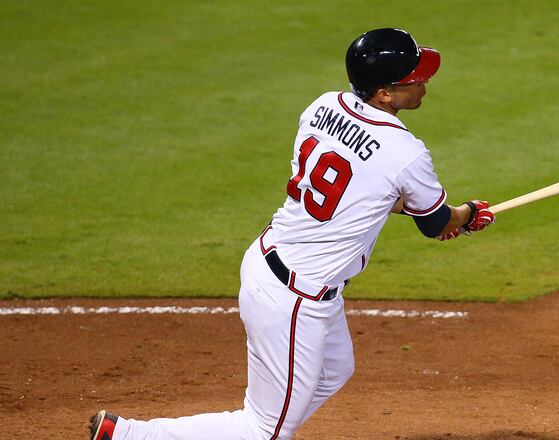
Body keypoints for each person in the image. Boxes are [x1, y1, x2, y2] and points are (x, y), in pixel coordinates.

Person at [89, 27, 495, 440]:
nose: (424, 84)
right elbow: (434, 223)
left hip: (270, 260)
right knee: (262, 430)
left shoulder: (323, 105)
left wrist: (448, 216)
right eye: (415, 79)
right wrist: (467, 215)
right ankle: (127, 435)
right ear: (384, 94)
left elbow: (369, 191)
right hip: (296, 298)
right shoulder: (405, 152)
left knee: (334, 369)